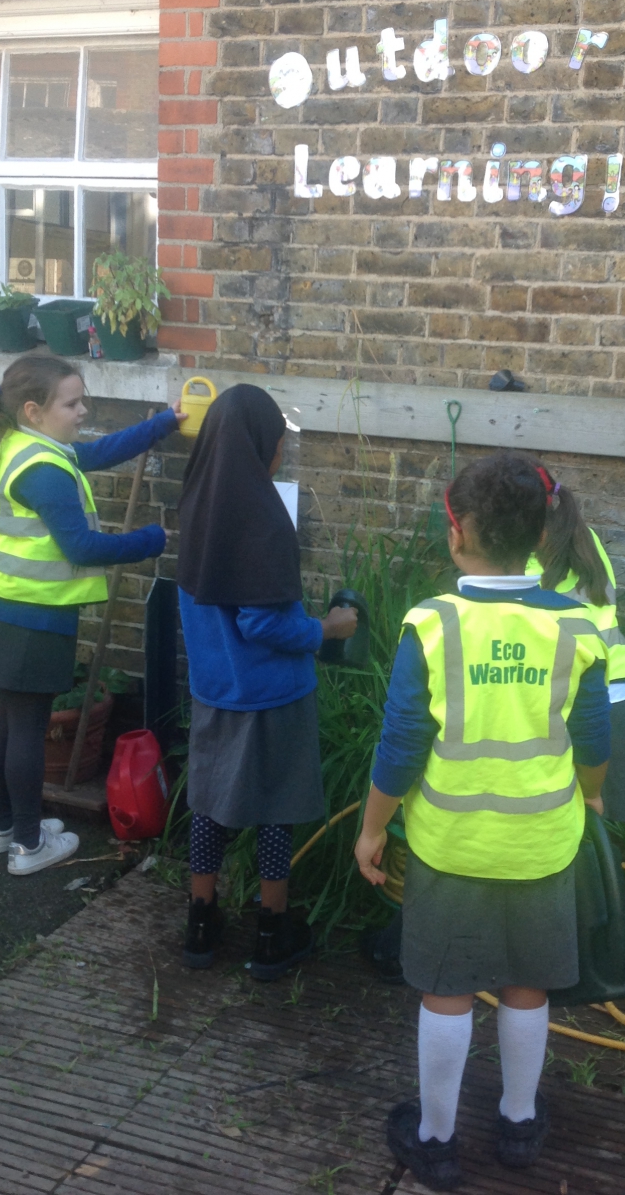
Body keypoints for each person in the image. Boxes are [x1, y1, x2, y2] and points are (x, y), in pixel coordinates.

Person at [354, 452, 610, 1190]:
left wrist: (371, 829)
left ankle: (435, 1140)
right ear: (541, 534)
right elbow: (594, 741)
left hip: (451, 845)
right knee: (528, 983)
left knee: (447, 988)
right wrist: (591, 798)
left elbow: (402, 744)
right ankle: (519, 1123)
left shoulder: (432, 625)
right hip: (543, 843)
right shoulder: (578, 627)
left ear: (455, 531)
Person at [0, 355, 180, 876]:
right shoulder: (44, 472)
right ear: (34, 410)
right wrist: (151, 540)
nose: (83, 411)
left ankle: (2, 827)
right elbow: (81, 547)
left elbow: (96, 453)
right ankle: (28, 845)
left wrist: (162, 424)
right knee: (27, 728)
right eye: (72, 403)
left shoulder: (23, 444)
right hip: (27, 618)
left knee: (11, 721)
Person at [175, 384, 357, 980]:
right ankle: (272, 932)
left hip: (214, 688)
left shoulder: (195, 505)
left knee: (209, 805)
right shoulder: (264, 523)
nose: (279, 456)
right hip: (273, 695)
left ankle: (201, 923)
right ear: (260, 446)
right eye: (278, 445)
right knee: (276, 810)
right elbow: (262, 623)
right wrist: (326, 629)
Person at [525, 475, 625, 823]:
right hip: (618, 684)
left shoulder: (521, 560)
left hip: (571, 691)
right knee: (607, 820)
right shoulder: (585, 538)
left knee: (559, 816)